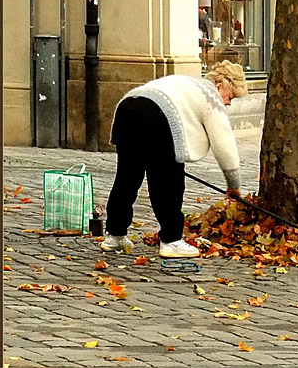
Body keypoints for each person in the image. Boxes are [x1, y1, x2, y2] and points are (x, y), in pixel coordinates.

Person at [100, 60, 247, 257]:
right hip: (157, 116)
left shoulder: (185, 83)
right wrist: (233, 184)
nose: (228, 103)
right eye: (230, 97)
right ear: (220, 85)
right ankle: (171, 240)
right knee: (169, 182)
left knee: (127, 178)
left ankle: (114, 235)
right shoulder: (210, 94)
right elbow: (224, 142)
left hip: (127, 109)